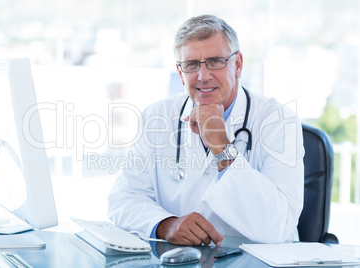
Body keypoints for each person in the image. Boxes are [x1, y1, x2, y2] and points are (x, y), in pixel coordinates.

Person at [108, 14, 304, 246]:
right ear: (180, 73)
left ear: (237, 64)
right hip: (181, 260)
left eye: (215, 61)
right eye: (191, 65)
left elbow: (278, 227)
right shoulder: (156, 117)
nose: (203, 76)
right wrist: (166, 224)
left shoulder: (278, 121)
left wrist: (221, 147)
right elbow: (123, 200)